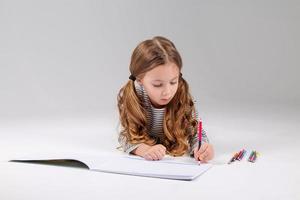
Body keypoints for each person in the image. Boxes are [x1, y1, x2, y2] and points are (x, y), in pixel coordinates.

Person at [117, 36, 214, 162]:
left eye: (173, 82)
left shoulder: (181, 93)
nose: (167, 92)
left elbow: (195, 132)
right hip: (145, 141)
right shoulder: (134, 94)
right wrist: (145, 150)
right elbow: (125, 136)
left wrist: (202, 147)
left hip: (172, 142)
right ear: (140, 79)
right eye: (157, 85)